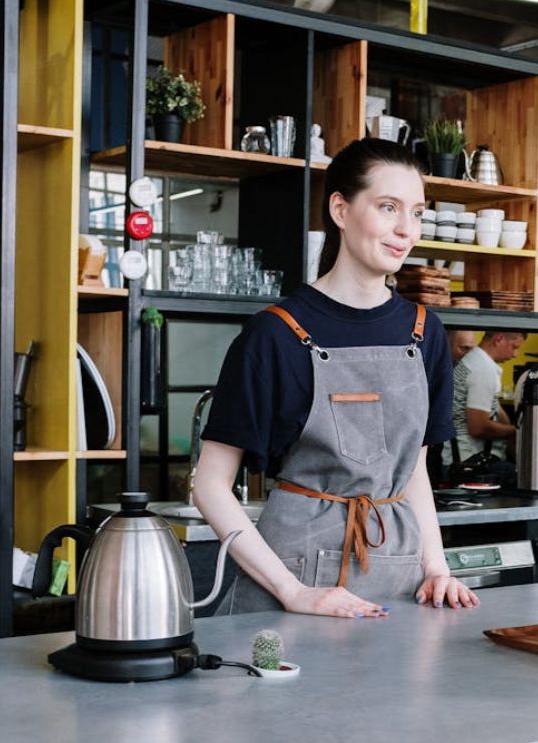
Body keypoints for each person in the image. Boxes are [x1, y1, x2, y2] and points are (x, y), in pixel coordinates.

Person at [194, 138, 479, 619]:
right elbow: (209, 486)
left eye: (416, 212)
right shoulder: (275, 333)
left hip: (400, 576)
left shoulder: (425, 331)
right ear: (341, 210)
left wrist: (436, 567)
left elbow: (414, 471)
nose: (405, 229)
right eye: (388, 207)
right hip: (294, 583)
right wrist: (293, 592)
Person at [451, 331, 525, 463]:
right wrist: (518, 431)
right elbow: (478, 428)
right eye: (514, 347)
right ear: (499, 339)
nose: (515, 354)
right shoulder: (483, 369)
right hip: (471, 461)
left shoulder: (475, 360)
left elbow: (496, 409)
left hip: (461, 457)